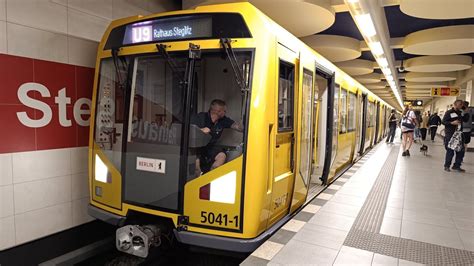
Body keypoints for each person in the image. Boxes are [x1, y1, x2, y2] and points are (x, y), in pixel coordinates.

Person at [192, 99, 243, 174]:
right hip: (197, 148)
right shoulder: (201, 117)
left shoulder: (223, 120)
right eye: (224, 111)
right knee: (196, 164)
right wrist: (201, 130)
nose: (225, 113)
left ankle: (210, 178)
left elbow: (238, 127)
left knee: (222, 156)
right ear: (218, 111)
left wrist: (244, 119)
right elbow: (189, 129)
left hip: (210, 148)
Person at [442, 100, 465, 172]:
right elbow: (443, 122)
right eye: (459, 104)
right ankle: (447, 166)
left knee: (461, 150)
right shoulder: (449, 112)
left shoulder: (461, 113)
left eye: (461, 105)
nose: (460, 106)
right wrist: (452, 123)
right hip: (450, 134)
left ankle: (457, 165)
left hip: (459, 134)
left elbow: (464, 121)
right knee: (450, 150)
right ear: (455, 104)